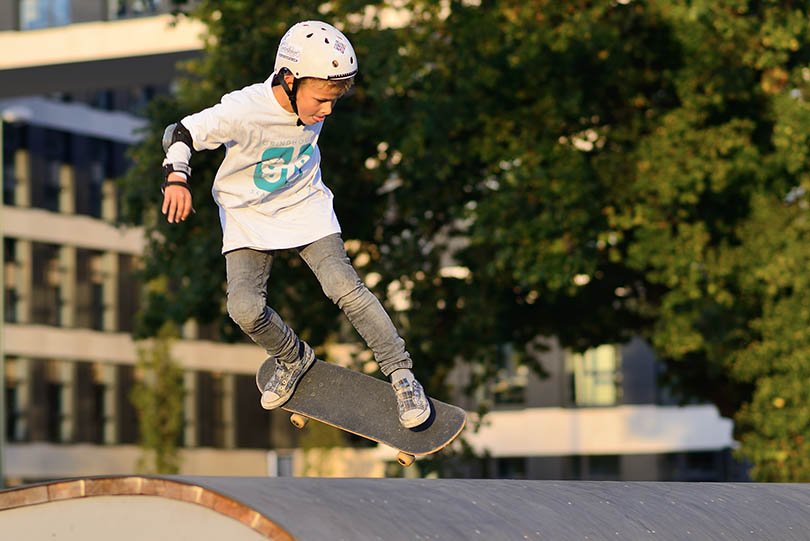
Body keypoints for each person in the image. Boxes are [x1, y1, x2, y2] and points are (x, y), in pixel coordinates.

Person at [159, 21, 430, 428]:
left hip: (305, 204)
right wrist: (177, 177)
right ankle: (292, 356)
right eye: (322, 100)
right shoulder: (243, 110)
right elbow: (179, 131)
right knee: (244, 309)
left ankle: (402, 375)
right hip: (247, 213)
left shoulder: (313, 93)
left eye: (334, 100)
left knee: (343, 286)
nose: (327, 110)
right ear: (289, 79)